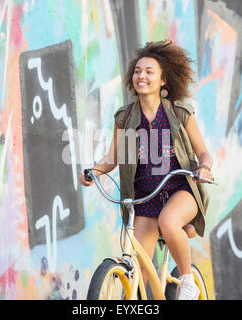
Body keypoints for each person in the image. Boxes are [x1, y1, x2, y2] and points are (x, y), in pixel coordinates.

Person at [79, 40, 213, 300]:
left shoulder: (179, 112)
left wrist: (205, 168)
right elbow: (112, 158)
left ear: (163, 80)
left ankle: (187, 281)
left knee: (169, 221)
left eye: (150, 71)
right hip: (144, 198)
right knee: (138, 268)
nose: (142, 76)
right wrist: (93, 171)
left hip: (180, 189)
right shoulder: (126, 117)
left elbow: (203, 152)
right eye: (138, 71)